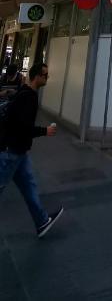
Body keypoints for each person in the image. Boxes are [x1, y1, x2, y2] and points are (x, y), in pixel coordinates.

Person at [0, 60, 64, 238]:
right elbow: (23, 128)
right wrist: (46, 131)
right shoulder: (29, 97)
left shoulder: (24, 92)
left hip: (19, 152)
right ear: (36, 77)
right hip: (10, 152)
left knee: (29, 186)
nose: (47, 78)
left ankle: (42, 221)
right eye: (45, 75)